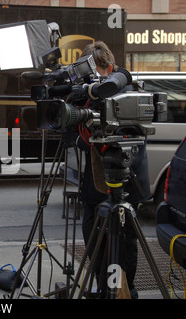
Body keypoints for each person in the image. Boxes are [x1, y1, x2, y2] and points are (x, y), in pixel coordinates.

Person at [78, 41, 150, 299]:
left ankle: (122, 290)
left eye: (97, 74)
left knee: (123, 242)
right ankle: (102, 285)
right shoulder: (85, 92)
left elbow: (131, 139)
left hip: (125, 182)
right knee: (92, 237)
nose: (93, 82)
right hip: (94, 187)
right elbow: (70, 136)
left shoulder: (129, 94)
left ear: (109, 68)